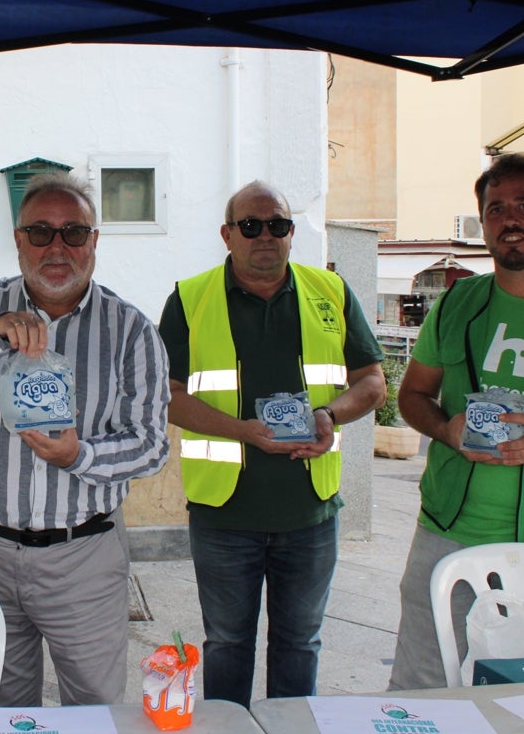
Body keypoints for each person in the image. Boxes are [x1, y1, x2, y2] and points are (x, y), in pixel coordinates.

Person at [0, 172, 170, 707]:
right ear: (18, 238)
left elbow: (151, 444)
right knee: (0, 704)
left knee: (94, 705)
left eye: (74, 233)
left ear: (94, 242)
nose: (57, 247)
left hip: (84, 556)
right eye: (40, 232)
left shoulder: (131, 329)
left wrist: (82, 455)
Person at [388, 153, 524, 690]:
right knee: (423, 685)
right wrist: (446, 430)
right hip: (448, 532)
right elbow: (414, 394)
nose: (510, 219)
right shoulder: (457, 304)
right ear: (483, 223)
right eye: (495, 209)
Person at [158, 180, 386, 707]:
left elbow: (372, 381)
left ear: (291, 232)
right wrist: (242, 430)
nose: (266, 236)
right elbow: (166, 398)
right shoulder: (190, 299)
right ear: (227, 234)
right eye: (251, 226)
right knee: (228, 646)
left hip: (310, 516)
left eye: (279, 225)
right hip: (223, 517)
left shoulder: (329, 291)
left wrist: (331, 414)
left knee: (299, 646)